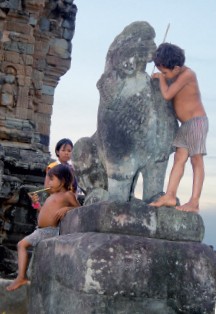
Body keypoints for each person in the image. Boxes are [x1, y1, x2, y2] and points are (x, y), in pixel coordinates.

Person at [150, 43, 208, 213]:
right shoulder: (174, 75)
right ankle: (170, 195)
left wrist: (160, 78)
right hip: (185, 126)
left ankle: (194, 201)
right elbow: (165, 83)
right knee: (179, 160)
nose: (164, 74)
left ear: (176, 68)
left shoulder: (188, 75)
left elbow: (167, 94)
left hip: (196, 122)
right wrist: (160, 77)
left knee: (196, 160)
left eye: (165, 72)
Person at [6, 164, 80, 291]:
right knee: (31, 256)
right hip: (40, 230)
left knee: (21, 245)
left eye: (52, 179)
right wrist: (35, 203)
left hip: (49, 231)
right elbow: (42, 213)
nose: (49, 183)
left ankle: (21, 277)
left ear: (62, 182)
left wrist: (67, 208)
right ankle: (23, 276)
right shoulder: (51, 196)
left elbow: (80, 209)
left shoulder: (67, 195)